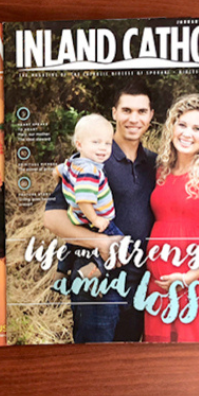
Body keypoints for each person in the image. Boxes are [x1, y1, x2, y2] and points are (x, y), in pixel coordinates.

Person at [43, 81, 157, 343]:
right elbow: (52, 217)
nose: (134, 118)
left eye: (142, 111)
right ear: (114, 112)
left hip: (140, 284)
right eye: (126, 110)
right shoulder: (92, 158)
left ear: (151, 116)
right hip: (98, 286)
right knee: (94, 369)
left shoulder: (154, 163)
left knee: (126, 371)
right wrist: (102, 241)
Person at [145, 94, 199, 343]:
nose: (187, 134)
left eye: (197, 128)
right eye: (182, 124)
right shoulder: (163, 169)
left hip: (197, 280)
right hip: (160, 283)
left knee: (194, 361)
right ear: (172, 126)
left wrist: (187, 277)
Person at [53, 114, 122, 277]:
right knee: (122, 247)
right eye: (96, 142)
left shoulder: (71, 164)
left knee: (74, 245)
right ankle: (92, 271)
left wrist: (63, 185)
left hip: (77, 218)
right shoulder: (90, 171)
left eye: (108, 143)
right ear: (79, 144)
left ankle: (62, 269)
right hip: (96, 219)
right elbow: (84, 199)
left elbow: (56, 171)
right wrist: (96, 220)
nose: (103, 148)